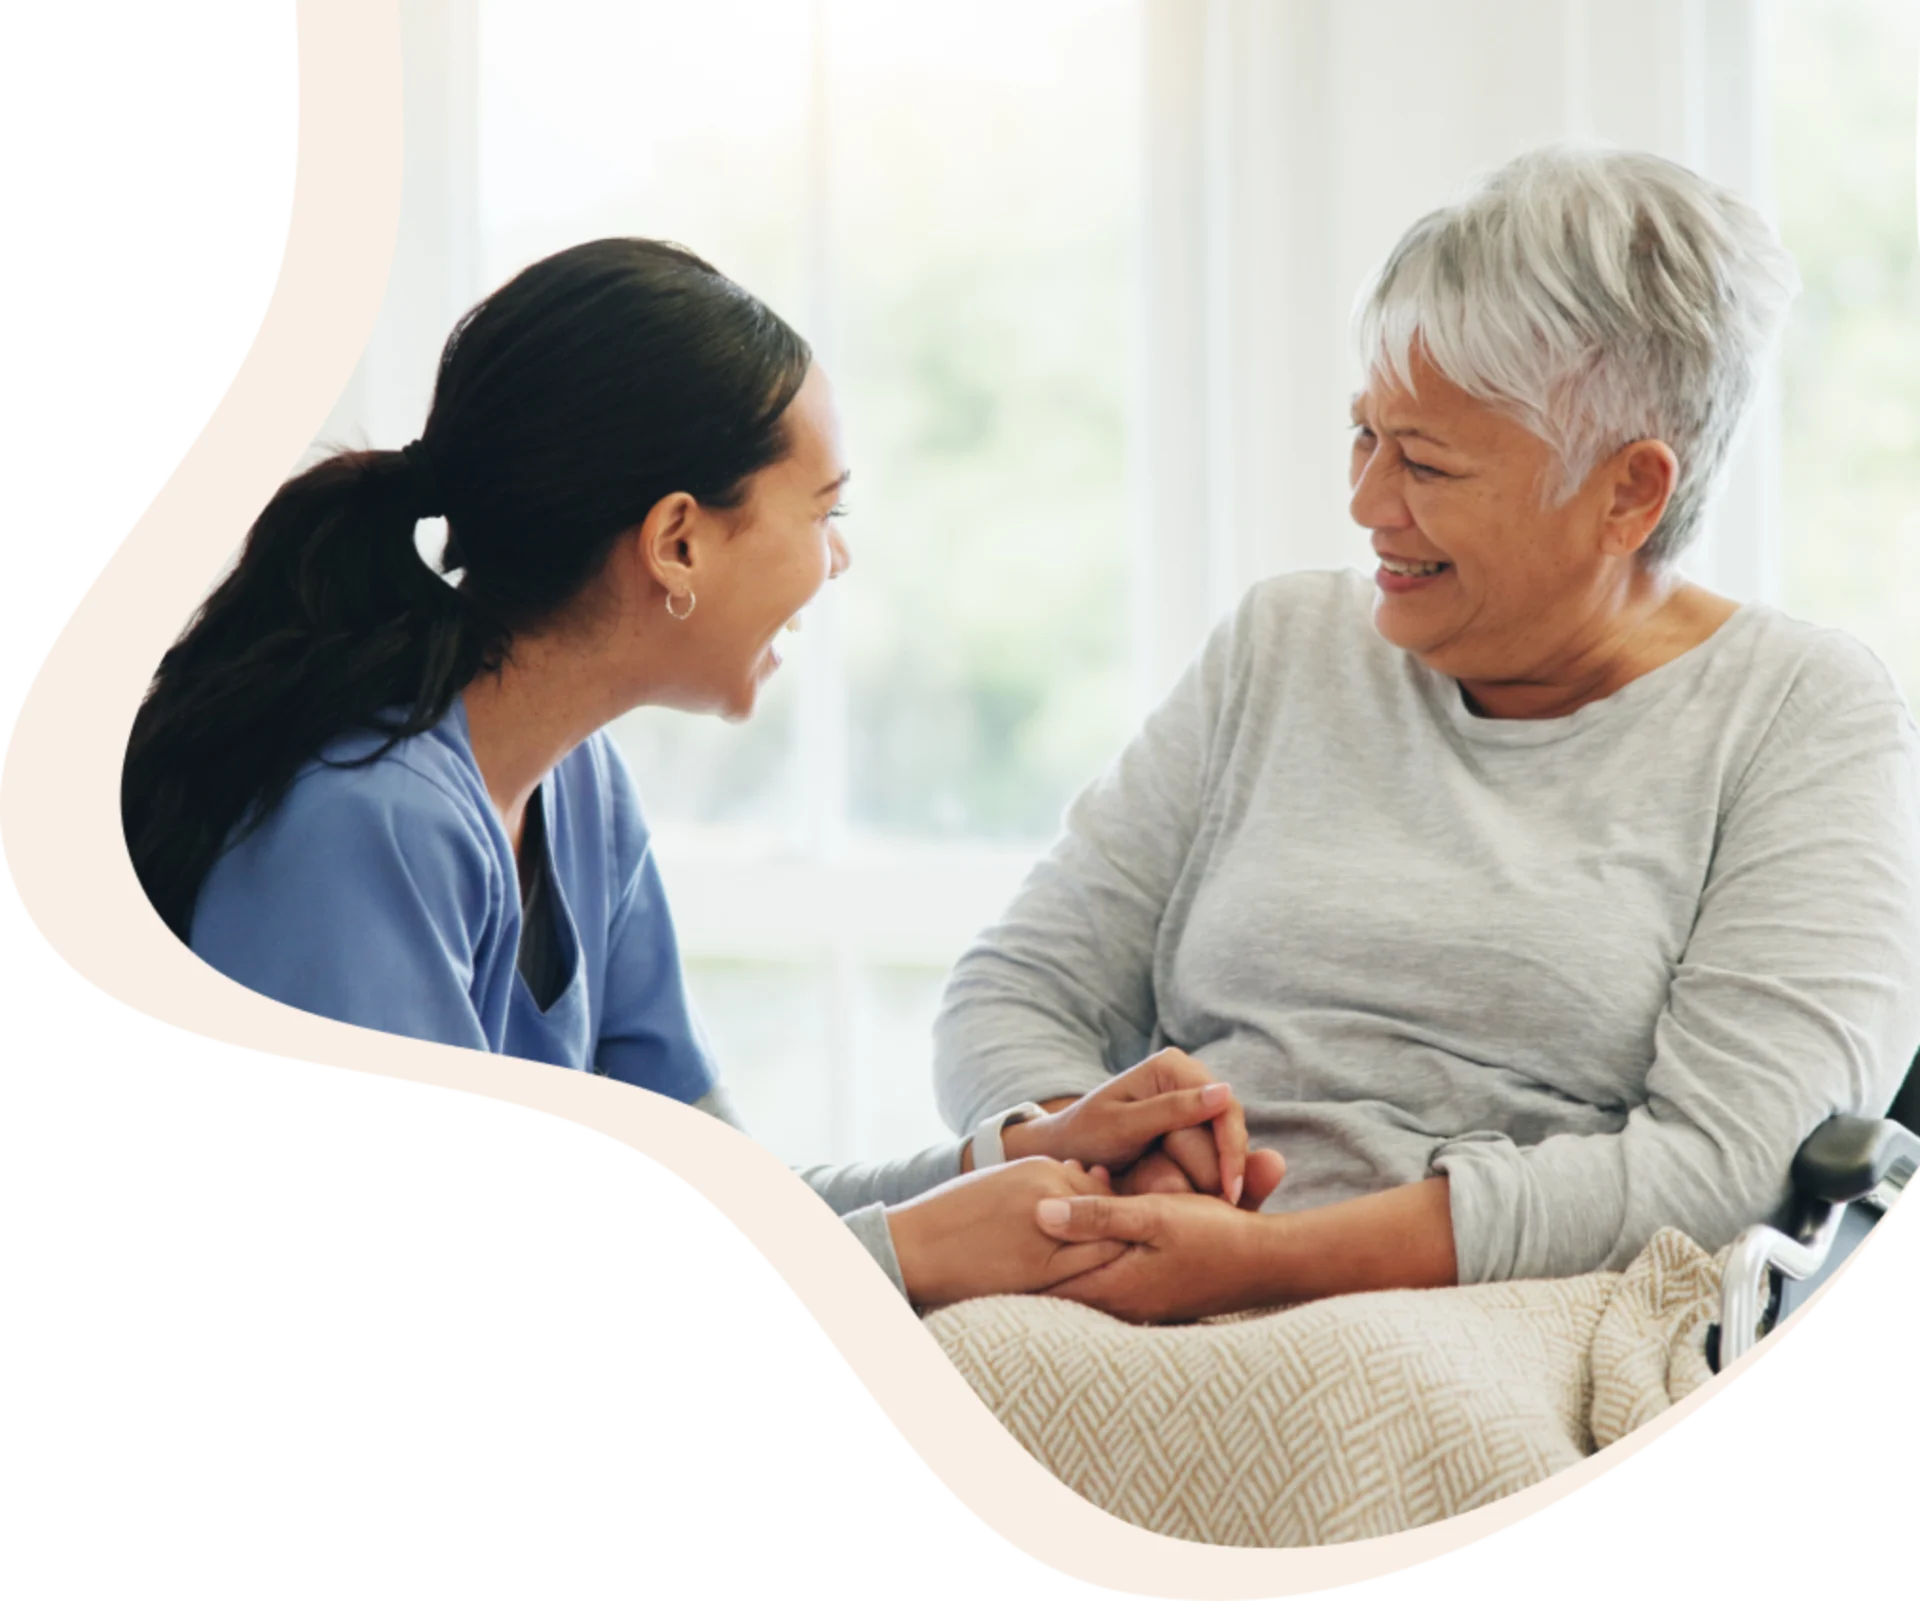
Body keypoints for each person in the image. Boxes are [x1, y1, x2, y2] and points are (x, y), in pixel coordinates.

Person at [119, 239, 1274, 1311]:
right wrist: (911, 1252)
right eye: (824, 510)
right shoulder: (362, 824)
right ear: (678, 540)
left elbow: (724, 1195)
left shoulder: (583, 794)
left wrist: (1018, 1157)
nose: (839, 555)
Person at [931, 143, 1920, 1323]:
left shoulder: (1804, 716)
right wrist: (1091, 1138)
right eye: (1364, 435)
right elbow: (1014, 986)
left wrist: (1270, 1260)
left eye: (1428, 463)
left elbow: (1721, 1166)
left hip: (1503, 1329)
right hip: (1137, 1275)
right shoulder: (1280, 646)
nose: (1365, 504)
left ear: (1630, 493)